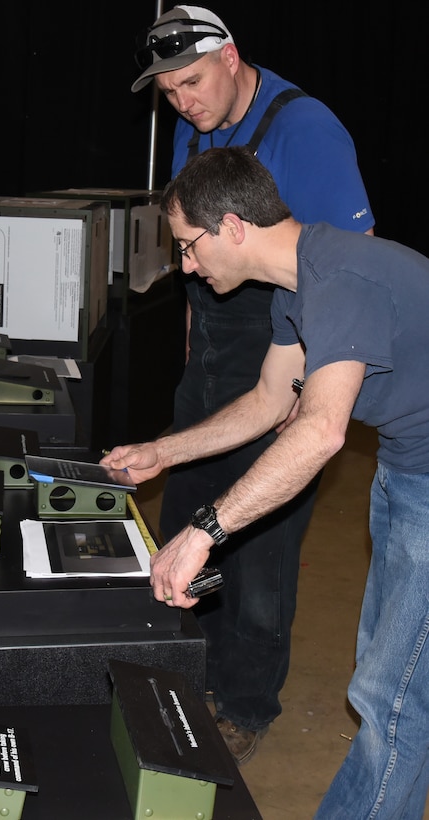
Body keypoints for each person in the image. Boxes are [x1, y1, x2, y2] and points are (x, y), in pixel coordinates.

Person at [102, 144, 429, 818]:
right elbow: (269, 401)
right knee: (391, 678)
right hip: (407, 465)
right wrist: (163, 451)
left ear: (231, 227)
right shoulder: (296, 286)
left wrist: (202, 532)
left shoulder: (340, 279)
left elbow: (318, 431)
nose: (185, 266)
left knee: (392, 702)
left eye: (189, 247)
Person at [130, 4, 374, 763]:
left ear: (231, 56)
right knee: (185, 509)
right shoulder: (190, 124)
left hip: (290, 349)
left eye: (193, 83)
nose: (183, 104)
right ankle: (179, 672)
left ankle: (243, 703)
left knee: (258, 539)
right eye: (168, 93)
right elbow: (193, 257)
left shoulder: (306, 130)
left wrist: (304, 392)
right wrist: (192, 349)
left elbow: (350, 269)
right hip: (214, 351)